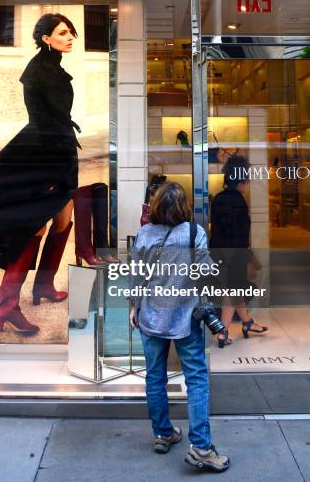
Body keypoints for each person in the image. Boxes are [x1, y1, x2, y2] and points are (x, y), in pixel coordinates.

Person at [0, 13, 82, 334]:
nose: (70, 38)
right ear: (46, 38)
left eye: (71, 33)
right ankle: (6, 308)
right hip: (42, 155)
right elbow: (46, 123)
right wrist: (52, 167)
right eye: (63, 33)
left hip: (57, 150)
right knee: (33, 225)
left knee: (64, 218)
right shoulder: (40, 73)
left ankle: (44, 287)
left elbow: (57, 119)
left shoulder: (51, 68)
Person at [129, 182, 230, 473]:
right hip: (185, 318)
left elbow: (136, 276)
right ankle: (201, 447)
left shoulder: (145, 234)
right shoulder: (194, 233)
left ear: (157, 205)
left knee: (154, 377)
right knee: (196, 380)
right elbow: (206, 270)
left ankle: (163, 433)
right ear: (184, 206)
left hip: (151, 316)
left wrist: (134, 307)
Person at [210, 155, 268, 348]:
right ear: (242, 181)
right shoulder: (239, 202)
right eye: (248, 179)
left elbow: (216, 231)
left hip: (218, 254)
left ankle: (247, 322)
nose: (249, 183)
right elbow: (240, 237)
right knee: (233, 292)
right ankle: (222, 332)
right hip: (234, 256)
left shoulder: (218, 198)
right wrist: (248, 258)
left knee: (234, 291)